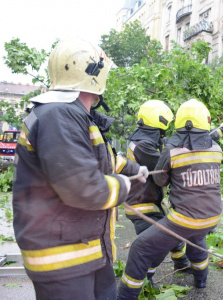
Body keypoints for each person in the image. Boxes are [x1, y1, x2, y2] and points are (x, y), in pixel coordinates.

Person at [12, 38, 149, 300]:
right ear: (94, 78)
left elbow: (104, 161)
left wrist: (135, 169)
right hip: (62, 261)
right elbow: (83, 187)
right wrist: (124, 185)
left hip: (88, 251)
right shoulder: (58, 115)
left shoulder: (75, 116)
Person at [117, 99, 223, 299]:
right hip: (208, 215)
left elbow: (160, 179)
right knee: (193, 237)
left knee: (143, 247)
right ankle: (198, 279)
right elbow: (199, 144)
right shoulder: (216, 149)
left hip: (179, 215)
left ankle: (126, 294)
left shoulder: (171, 151)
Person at [124, 100, 190, 271]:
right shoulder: (143, 145)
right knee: (157, 243)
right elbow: (163, 169)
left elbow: (167, 145)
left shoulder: (144, 139)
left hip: (150, 202)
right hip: (141, 205)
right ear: (159, 121)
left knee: (173, 233)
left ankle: (181, 264)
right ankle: (145, 278)